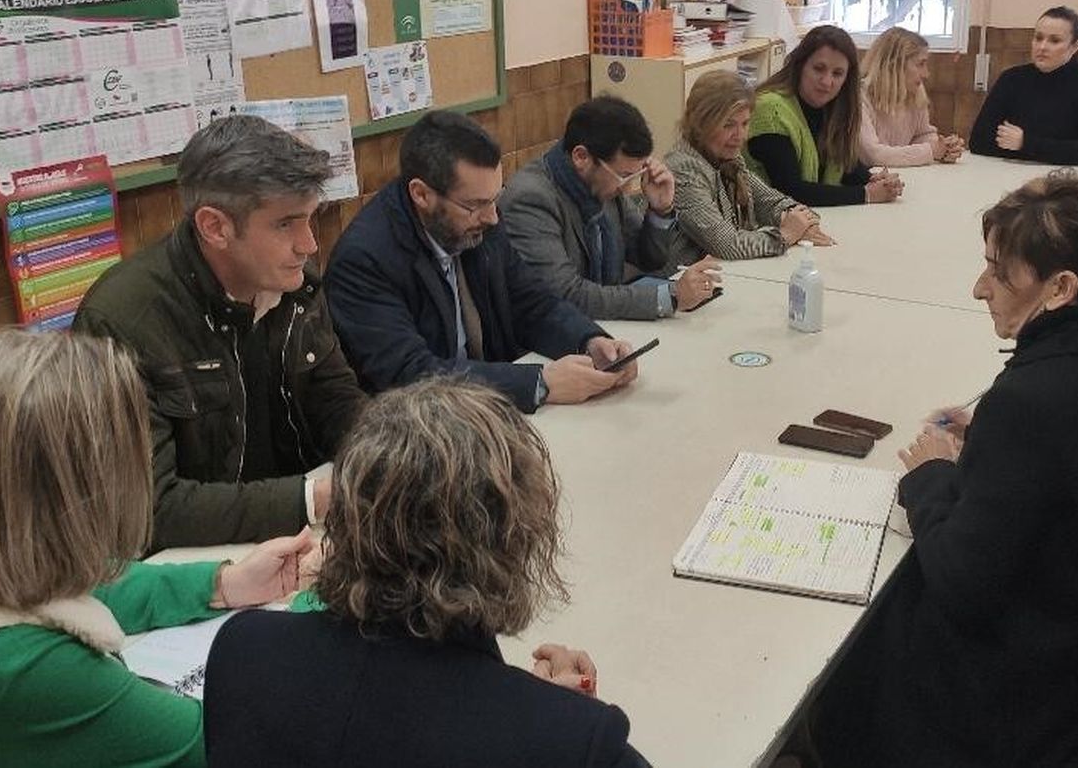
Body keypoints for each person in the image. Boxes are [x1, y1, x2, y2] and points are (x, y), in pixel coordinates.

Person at [809, 174, 1078, 767]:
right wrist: (990, 443)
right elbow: (1074, 484)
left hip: (1018, 711)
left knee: (841, 660)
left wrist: (932, 478)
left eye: (998, 271)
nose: (978, 288)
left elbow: (962, 582)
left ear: (1060, 287)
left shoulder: (1034, 402)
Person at [0, 329, 313, 768]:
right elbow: (224, 748)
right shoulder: (9, 670)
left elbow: (39, 578)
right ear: (73, 489)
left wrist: (221, 583)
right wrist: (329, 612)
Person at [204, 376, 650, 767]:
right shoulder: (581, 743)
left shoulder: (242, 652)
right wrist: (544, 720)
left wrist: (525, 709)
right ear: (515, 538)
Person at [75, 114, 364, 550]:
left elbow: (336, 399)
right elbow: (148, 509)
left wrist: (398, 451)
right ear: (215, 227)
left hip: (295, 537)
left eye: (310, 218)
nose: (309, 244)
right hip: (193, 567)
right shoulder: (121, 322)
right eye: (286, 224)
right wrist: (312, 499)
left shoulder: (295, 285)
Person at [325, 110, 638, 413]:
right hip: (423, 432)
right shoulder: (364, 260)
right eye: (475, 205)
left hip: (489, 409)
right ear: (421, 194)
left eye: (494, 198)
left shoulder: (477, 221)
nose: (492, 217)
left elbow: (530, 302)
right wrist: (539, 383)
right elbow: (409, 375)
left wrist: (589, 341)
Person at [501, 95, 722, 320]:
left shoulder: (601, 183)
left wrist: (659, 210)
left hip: (603, 328)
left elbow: (649, 259)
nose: (627, 186)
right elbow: (565, 295)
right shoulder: (531, 199)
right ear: (581, 157)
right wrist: (669, 297)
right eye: (625, 175)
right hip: (546, 341)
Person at [666, 70, 835, 265]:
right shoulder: (684, 169)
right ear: (701, 123)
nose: (740, 135)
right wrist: (786, 235)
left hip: (725, 273)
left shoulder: (729, 158)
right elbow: (727, 245)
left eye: (745, 123)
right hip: (680, 282)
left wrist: (801, 221)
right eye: (728, 125)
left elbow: (768, 200)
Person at [746, 24, 904, 206]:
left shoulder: (832, 108)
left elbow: (844, 167)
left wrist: (873, 180)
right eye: (819, 69)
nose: (827, 81)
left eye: (837, 74)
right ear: (800, 66)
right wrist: (866, 194)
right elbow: (789, 190)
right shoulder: (770, 109)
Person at [967, 6, 1078, 164]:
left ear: (1074, 47)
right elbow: (978, 141)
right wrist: (1053, 150)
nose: (1042, 47)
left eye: (1054, 40)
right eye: (1038, 38)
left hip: (1064, 179)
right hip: (1009, 172)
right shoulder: (1011, 79)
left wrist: (1025, 143)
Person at [858, 26, 965, 167]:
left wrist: (944, 147)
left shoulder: (915, 94)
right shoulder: (859, 97)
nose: (926, 74)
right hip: (864, 183)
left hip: (900, 178)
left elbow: (922, 135)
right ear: (895, 65)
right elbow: (873, 156)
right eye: (920, 64)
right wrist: (932, 151)